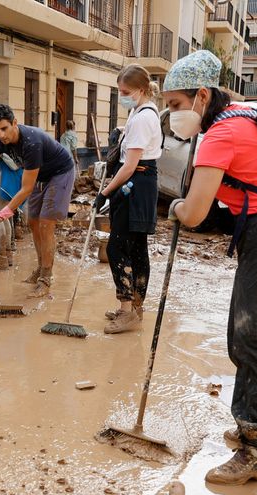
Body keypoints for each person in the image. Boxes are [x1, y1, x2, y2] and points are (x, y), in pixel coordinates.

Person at [163, 50, 257, 485]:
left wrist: (174, 205)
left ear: (202, 95)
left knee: (253, 342)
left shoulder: (221, 134)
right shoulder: (243, 117)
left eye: (175, 104)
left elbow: (192, 213)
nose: (171, 114)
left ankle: (254, 451)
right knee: (250, 336)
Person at [0, 104, 76, 297]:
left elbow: (26, 188)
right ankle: (40, 268)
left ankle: (46, 278)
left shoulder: (31, 142)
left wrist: (6, 211)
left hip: (60, 172)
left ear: (14, 123)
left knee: (46, 224)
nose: (1, 134)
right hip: (41, 175)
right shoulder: (0, 141)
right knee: (33, 222)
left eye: (4, 128)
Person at [94, 65, 162, 334]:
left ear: (142, 90)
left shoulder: (144, 117)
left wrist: (106, 192)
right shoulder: (140, 112)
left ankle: (127, 311)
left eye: (125, 92)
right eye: (119, 91)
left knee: (118, 248)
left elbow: (130, 165)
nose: (122, 96)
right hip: (138, 182)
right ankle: (134, 308)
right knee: (134, 247)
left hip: (136, 183)